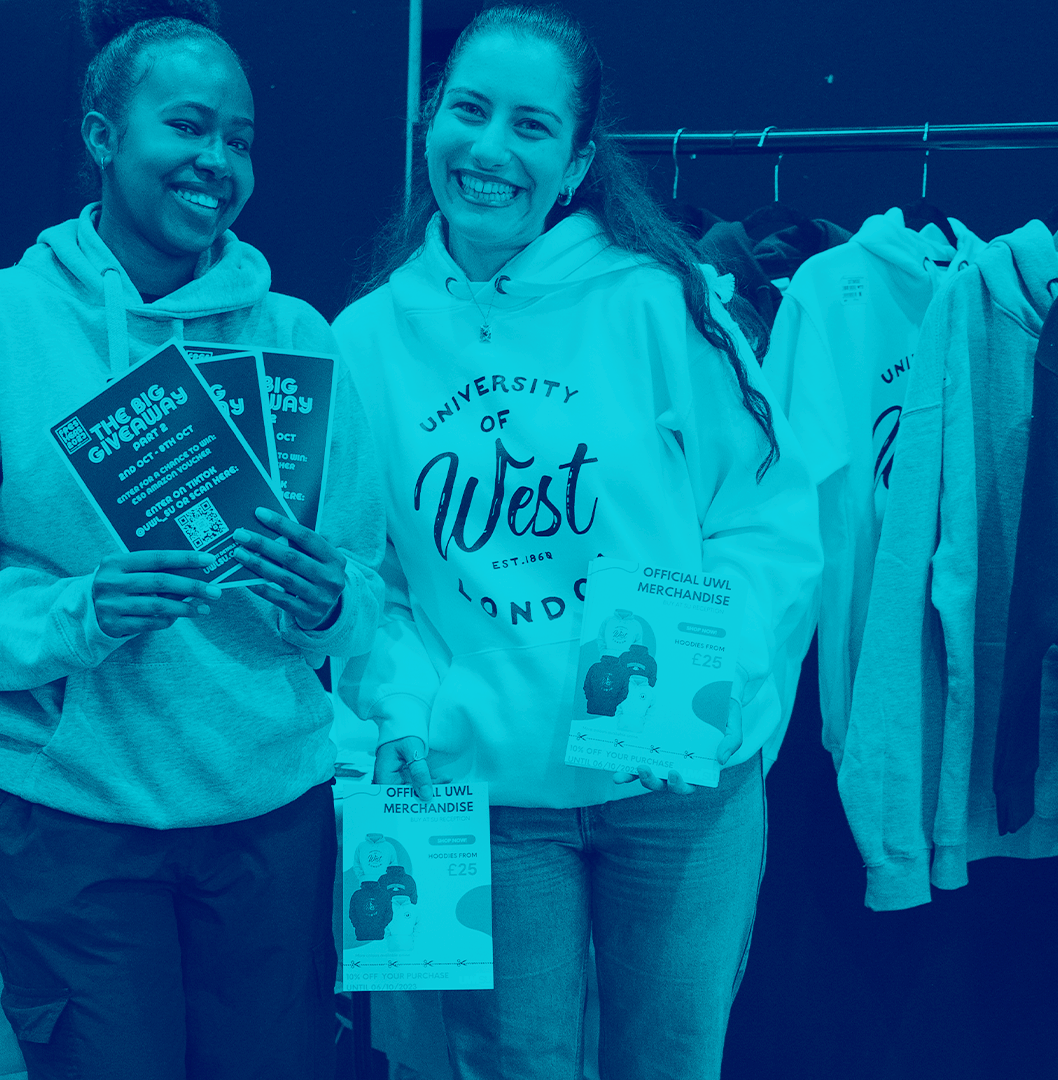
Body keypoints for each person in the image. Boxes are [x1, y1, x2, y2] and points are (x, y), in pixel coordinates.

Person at [0, 1, 385, 1077]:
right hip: (68, 820)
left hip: (269, 815)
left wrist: (327, 600)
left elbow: (365, 586)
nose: (217, 160)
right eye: (187, 126)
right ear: (102, 135)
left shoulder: (297, 338)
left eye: (240, 139)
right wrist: (77, 611)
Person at [334, 6, 821, 1078]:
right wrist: (403, 710)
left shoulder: (661, 302)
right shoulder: (364, 342)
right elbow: (374, 580)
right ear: (430, 118)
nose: (489, 149)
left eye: (531, 125)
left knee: (670, 1063)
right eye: (469, 110)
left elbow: (766, 521)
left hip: (678, 789)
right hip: (489, 796)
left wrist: (718, 689)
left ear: (577, 160)